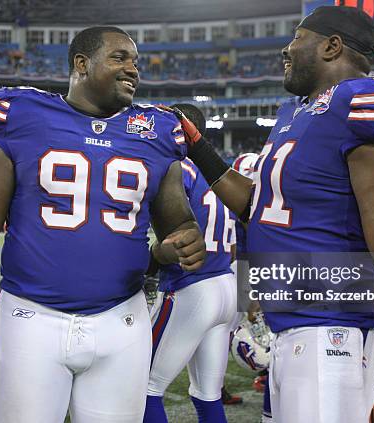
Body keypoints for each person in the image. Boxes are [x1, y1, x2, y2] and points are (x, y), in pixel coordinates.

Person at [170, 6, 374, 422]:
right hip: (294, 328)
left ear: (332, 47)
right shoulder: (297, 113)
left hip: (335, 333)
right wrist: (199, 147)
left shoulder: (364, 104)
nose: (286, 49)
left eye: (297, 37)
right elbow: (259, 208)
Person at [0, 26, 206, 422]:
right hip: (31, 319)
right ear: (81, 63)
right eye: (119, 58)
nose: (133, 69)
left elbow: (177, 221)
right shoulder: (21, 115)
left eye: (135, 61)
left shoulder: (157, 131)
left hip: (122, 321)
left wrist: (184, 240)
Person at [143, 104, 236, 423]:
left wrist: (153, 261)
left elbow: (165, 239)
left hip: (192, 289)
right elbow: (236, 244)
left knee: (143, 387)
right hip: (226, 287)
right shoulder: (219, 175)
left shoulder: (175, 168)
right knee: (207, 394)